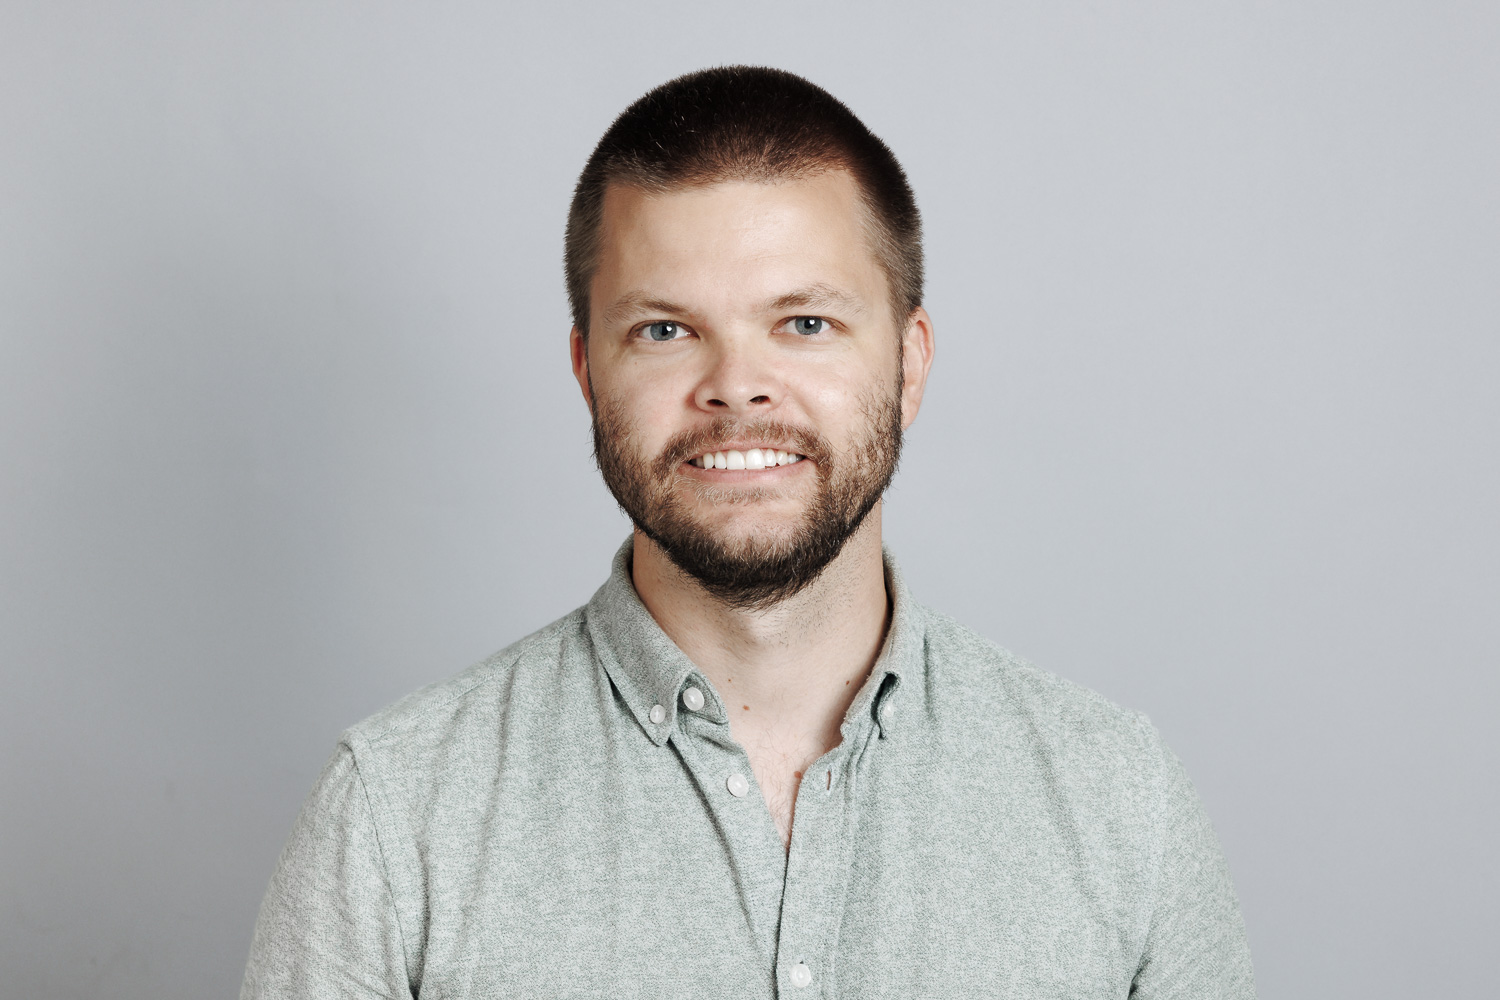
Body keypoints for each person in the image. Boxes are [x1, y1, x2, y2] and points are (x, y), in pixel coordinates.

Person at [242, 66, 1255, 999]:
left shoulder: (1120, 802)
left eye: (804, 323)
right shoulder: (394, 818)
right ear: (588, 372)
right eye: (664, 330)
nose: (736, 386)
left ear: (909, 365)